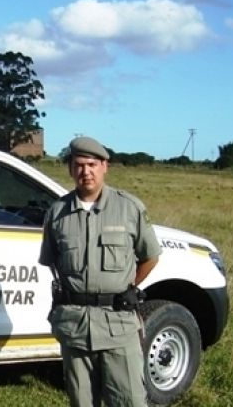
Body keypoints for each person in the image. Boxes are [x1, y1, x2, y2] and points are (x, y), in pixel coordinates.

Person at [39, 136, 161, 407]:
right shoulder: (57, 213)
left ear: (105, 166)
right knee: (81, 401)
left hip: (117, 324)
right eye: (79, 165)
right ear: (71, 169)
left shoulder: (129, 208)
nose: (86, 172)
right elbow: (51, 262)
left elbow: (151, 256)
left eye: (92, 164)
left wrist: (130, 285)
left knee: (128, 400)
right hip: (76, 327)